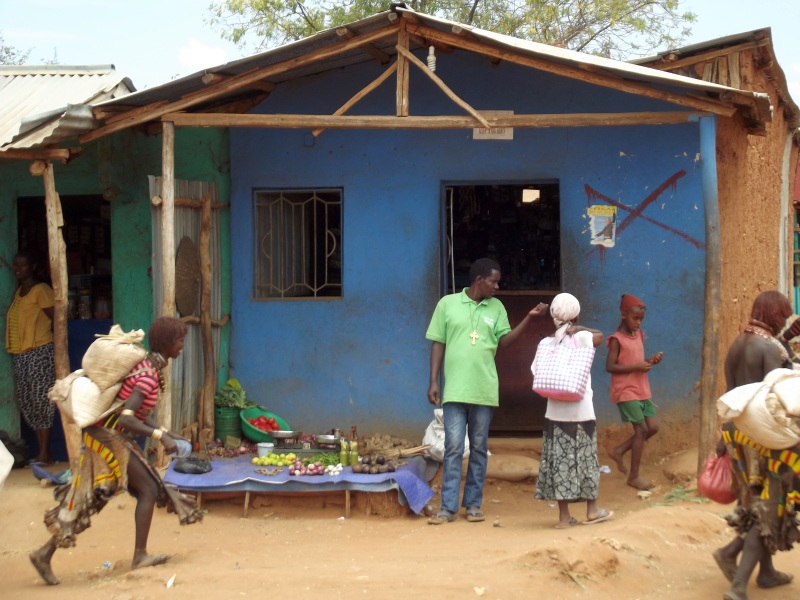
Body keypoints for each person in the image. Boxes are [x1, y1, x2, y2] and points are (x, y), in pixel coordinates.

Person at [29, 316, 203, 585]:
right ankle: (140, 556)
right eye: (180, 340)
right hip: (108, 436)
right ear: (168, 343)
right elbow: (126, 418)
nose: (182, 345)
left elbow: (136, 413)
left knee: (93, 496)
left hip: (110, 435)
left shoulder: (149, 368)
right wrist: (160, 436)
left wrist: (167, 433)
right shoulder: (147, 375)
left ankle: (44, 553)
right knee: (146, 489)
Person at [425, 258, 548, 525]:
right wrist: (433, 381)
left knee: (479, 448)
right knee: (453, 448)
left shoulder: (497, 307)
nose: (497, 286)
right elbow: (438, 343)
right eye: (493, 281)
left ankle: (472, 505)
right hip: (455, 391)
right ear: (479, 280)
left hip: (484, 390)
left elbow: (504, 342)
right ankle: (447, 508)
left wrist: (528, 318)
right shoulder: (447, 304)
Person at [712, 291, 795, 600]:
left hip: (737, 436)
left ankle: (768, 571)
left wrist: (724, 437)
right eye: (783, 315)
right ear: (771, 313)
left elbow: (736, 395)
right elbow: (779, 399)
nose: (785, 320)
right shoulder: (769, 349)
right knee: (767, 508)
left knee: (753, 504)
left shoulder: (738, 345)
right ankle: (737, 582)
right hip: (765, 439)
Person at [533, 293, 612, 528]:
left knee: (560, 464)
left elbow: (535, 372)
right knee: (586, 461)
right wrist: (579, 327)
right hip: (581, 411)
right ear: (576, 316)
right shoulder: (582, 337)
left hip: (554, 414)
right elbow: (601, 336)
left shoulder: (545, 343)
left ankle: (564, 517)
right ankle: (592, 510)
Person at [605, 293, 663, 491]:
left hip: (641, 389)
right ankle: (634, 476)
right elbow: (610, 366)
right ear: (623, 315)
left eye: (641, 319)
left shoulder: (637, 335)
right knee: (642, 430)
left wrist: (649, 361)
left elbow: (637, 361)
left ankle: (619, 450)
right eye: (635, 318)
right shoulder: (616, 339)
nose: (638, 323)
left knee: (653, 427)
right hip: (625, 390)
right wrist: (637, 367)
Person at [5, 249, 56, 465]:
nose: (18, 268)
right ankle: (44, 453)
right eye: (16, 264)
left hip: (39, 352)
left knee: (41, 401)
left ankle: (44, 452)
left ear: (33, 267)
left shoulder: (41, 290)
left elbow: (57, 319)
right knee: (27, 401)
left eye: (23, 265)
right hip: (21, 354)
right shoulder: (19, 292)